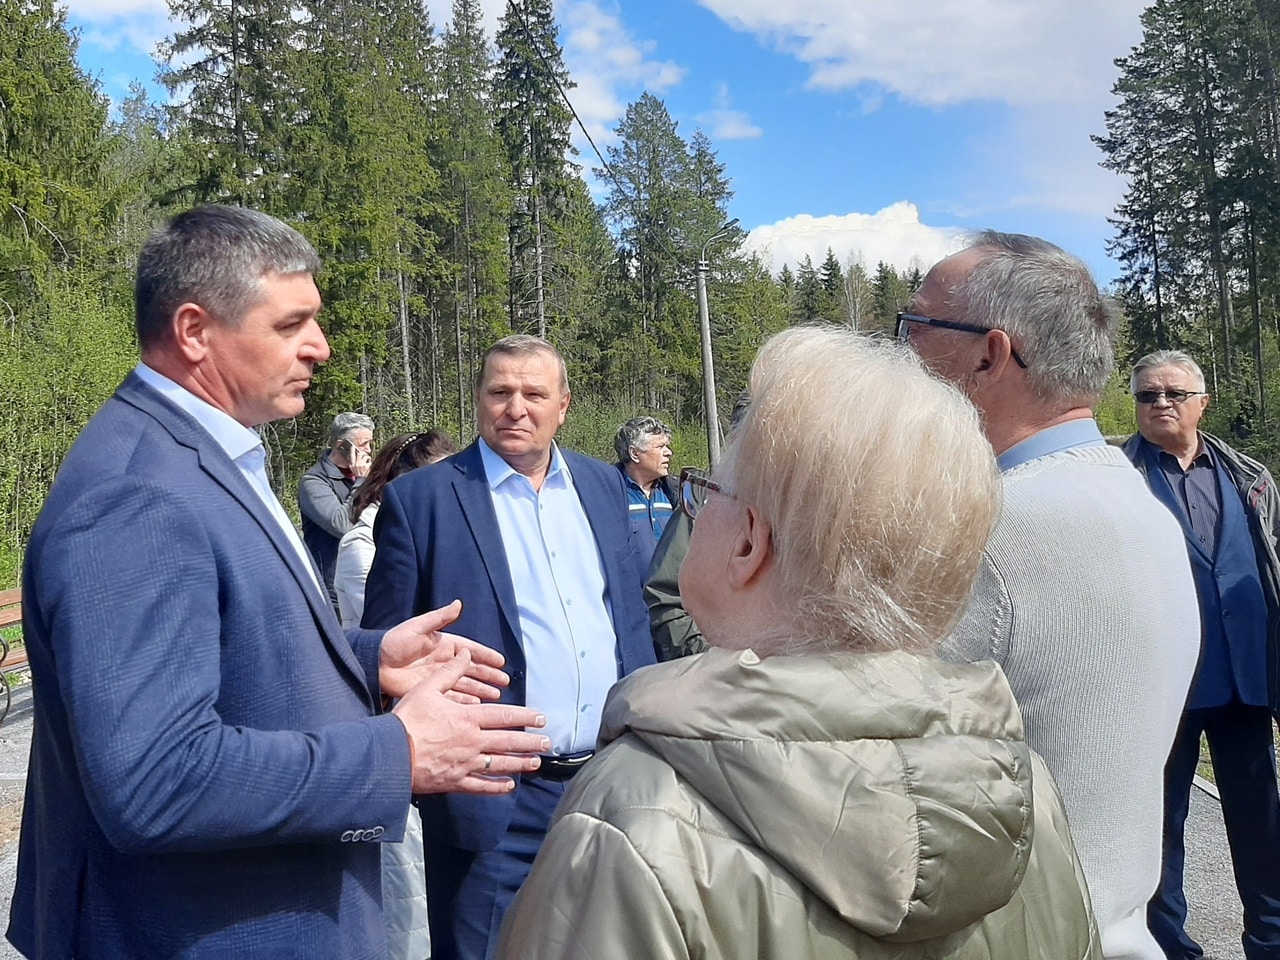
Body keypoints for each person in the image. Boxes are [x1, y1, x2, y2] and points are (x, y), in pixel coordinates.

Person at [7, 204, 551, 960]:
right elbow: (155, 780)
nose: (320, 348)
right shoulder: (137, 494)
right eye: (292, 325)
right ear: (196, 332)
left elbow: (226, 646)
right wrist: (396, 753)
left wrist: (367, 659)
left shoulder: (204, 454)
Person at [496, 326, 1101, 960]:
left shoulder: (633, 819)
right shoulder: (1021, 786)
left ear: (749, 543)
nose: (695, 507)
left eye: (710, 492)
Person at [898, 230, 1200, 960]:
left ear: (990, 353)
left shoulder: (995, 531)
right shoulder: (1140, 505)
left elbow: (880, 773)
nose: (900, 354)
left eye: (915, 326)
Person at [362, 334, 655, 960]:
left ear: (564, 405)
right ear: (478, 401)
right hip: (493, 798)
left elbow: (629, 620)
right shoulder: (423, 501)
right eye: (500, 392)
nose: (515, 408)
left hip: (606, 786)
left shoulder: (604, 488)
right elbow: (387, 653)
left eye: (533, 394)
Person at [1120, 350, 1280, 960]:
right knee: (1158, 829)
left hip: (1245, 679)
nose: (1160, 403)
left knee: (1261, 825)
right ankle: (1168, 948)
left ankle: (1270, 942)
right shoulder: (1116, 475)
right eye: (1147, 395)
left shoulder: (1251, 477)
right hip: (1160, 683)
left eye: (1174, 393)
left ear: (1201, 401)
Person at [333, 427, 457, 960]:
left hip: (450, 722)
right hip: (398, 724)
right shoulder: (363, 546)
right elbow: (382, 639)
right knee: (407, 901)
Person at [644, 390, 751, 660]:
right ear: (737, 440)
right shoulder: (704, 503)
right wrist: (712, 658)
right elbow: (663, 597)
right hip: (721, 682)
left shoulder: (804, 512)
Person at [336, 429, 458, 629]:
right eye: (437, 485)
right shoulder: (360, 544)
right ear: (403, 483)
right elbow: (390, 627)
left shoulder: (440, 531)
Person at [300, 410, 374, 607]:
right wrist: (362, 483)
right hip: (331, 591)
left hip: (366, 578)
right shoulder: (314, 481)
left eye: (370, 443)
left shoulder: (366, 476)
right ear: (342, 446)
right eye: (363, 444)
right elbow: (342, 524)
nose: (368, 450)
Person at [613, 415, 677, 569]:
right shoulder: (611, 495)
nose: (668, 453)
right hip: (629, 593)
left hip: (673, 592)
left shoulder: (674, 493)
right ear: (635, 453)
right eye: (660, 447)